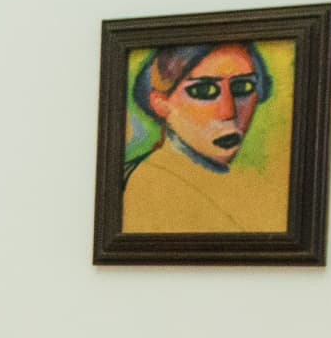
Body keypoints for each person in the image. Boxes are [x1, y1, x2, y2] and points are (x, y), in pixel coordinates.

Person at [118, 41, 287, 232]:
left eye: (243, 86)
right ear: (161, 104)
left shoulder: (252, 189)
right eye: (203, 91)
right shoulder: (148, 184)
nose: (228, 112)